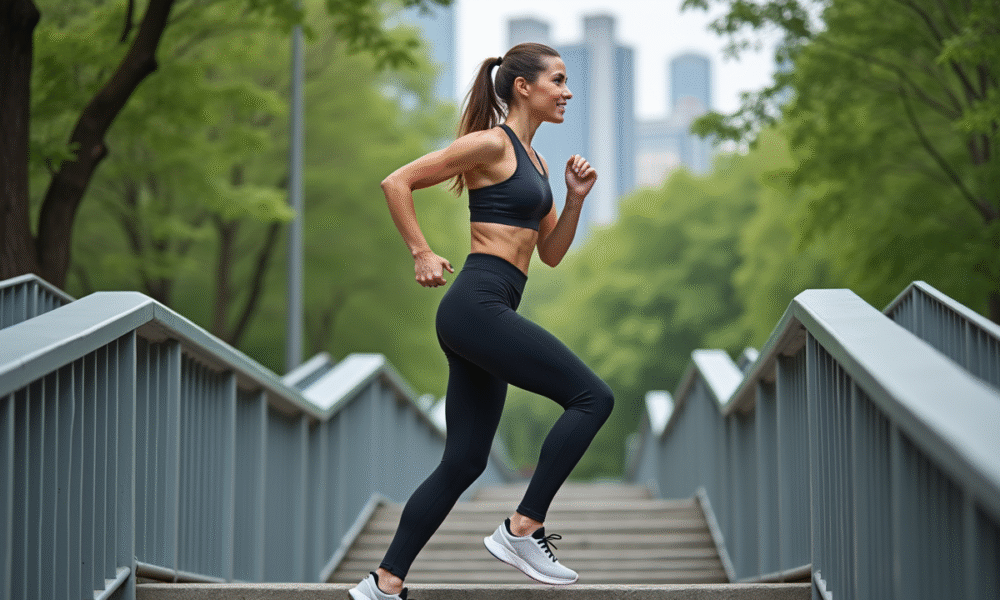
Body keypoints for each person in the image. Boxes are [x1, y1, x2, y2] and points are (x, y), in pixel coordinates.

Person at [349, 42, 614, 600]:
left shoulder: (537, 163)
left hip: (487, 311)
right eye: (558, 80)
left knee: (465, 460)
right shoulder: (491, 143)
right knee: (592, 398)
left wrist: (573, 201)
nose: (567, 92)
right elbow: (397, 182)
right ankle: (523, 527)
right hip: (477, 304)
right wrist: (421, 251)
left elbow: (550, 254)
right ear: (523, 86)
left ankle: (384, 584)